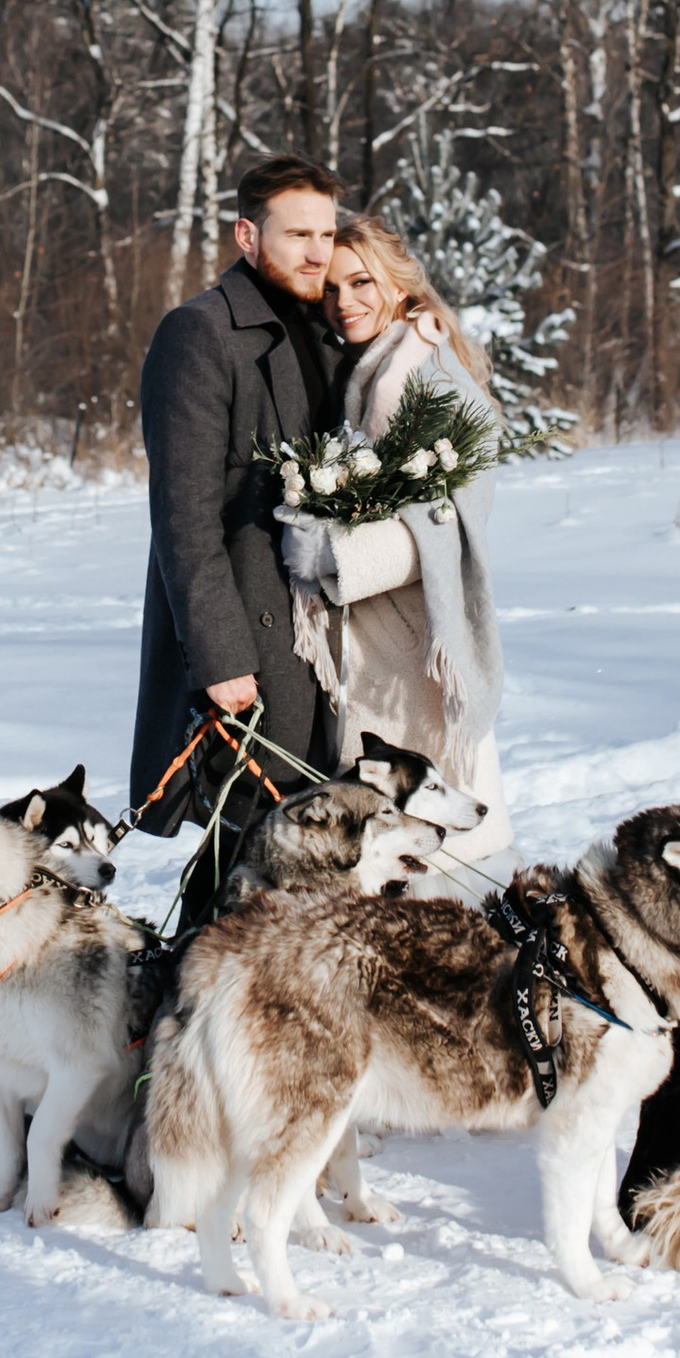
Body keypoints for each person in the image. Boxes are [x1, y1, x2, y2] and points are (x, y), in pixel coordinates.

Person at [132, 154, 348, 925]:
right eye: (298, 234)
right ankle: (185, 1023)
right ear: (248, 235)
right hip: (251, 641)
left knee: (307, 852)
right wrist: (220, 661)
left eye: (327, 233)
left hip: (322, 632)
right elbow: (182, 516)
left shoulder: (330, 328)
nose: (319, 252)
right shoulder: (197, 334)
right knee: (248, 851)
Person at [278, 211, 514, 868]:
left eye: (360, 283)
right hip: (385, 662)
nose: (344, 302)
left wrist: (330, 556)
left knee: (439, 875)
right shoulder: (372, 370)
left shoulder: (426, 375)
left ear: (399, 284)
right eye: (330, 288)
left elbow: (451, 522)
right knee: (398, 872)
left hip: (419, 669)